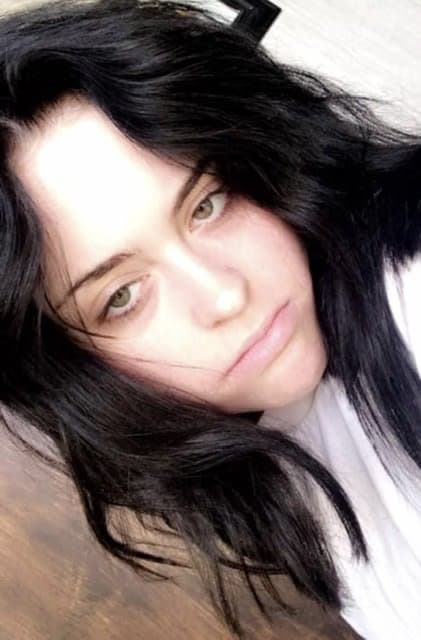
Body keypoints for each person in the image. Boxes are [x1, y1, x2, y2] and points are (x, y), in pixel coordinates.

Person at [1, 1, 421, 638]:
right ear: (71, 369)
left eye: (208, 203)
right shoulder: (250, 454)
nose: (224, 295)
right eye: (122, 296)